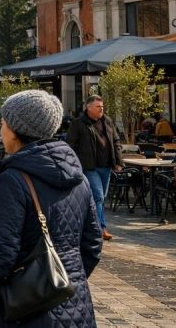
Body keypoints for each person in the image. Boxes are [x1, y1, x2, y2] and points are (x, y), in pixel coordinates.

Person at [0, 90, 101, 326]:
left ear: (17, 130)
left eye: (4, 123)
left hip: (23, 307)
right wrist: (66, 281)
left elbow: (0, 253)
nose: (1, 130)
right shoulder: (78, 176)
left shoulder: (13, 180)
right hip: (73, 301)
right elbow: (92, 243)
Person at [66, 94, 124, 241]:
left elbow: (116, 141)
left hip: (106, 166)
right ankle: (101, 228)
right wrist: (74, 164)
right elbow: (70, 144)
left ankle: (87, 225)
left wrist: (118, 161)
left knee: (101, 198)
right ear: (88, 107)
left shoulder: (107, 121)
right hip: (89, 166)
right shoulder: (79, 123)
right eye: (98, 107)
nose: (101, 109)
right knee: (98, 196)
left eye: (102, 106)